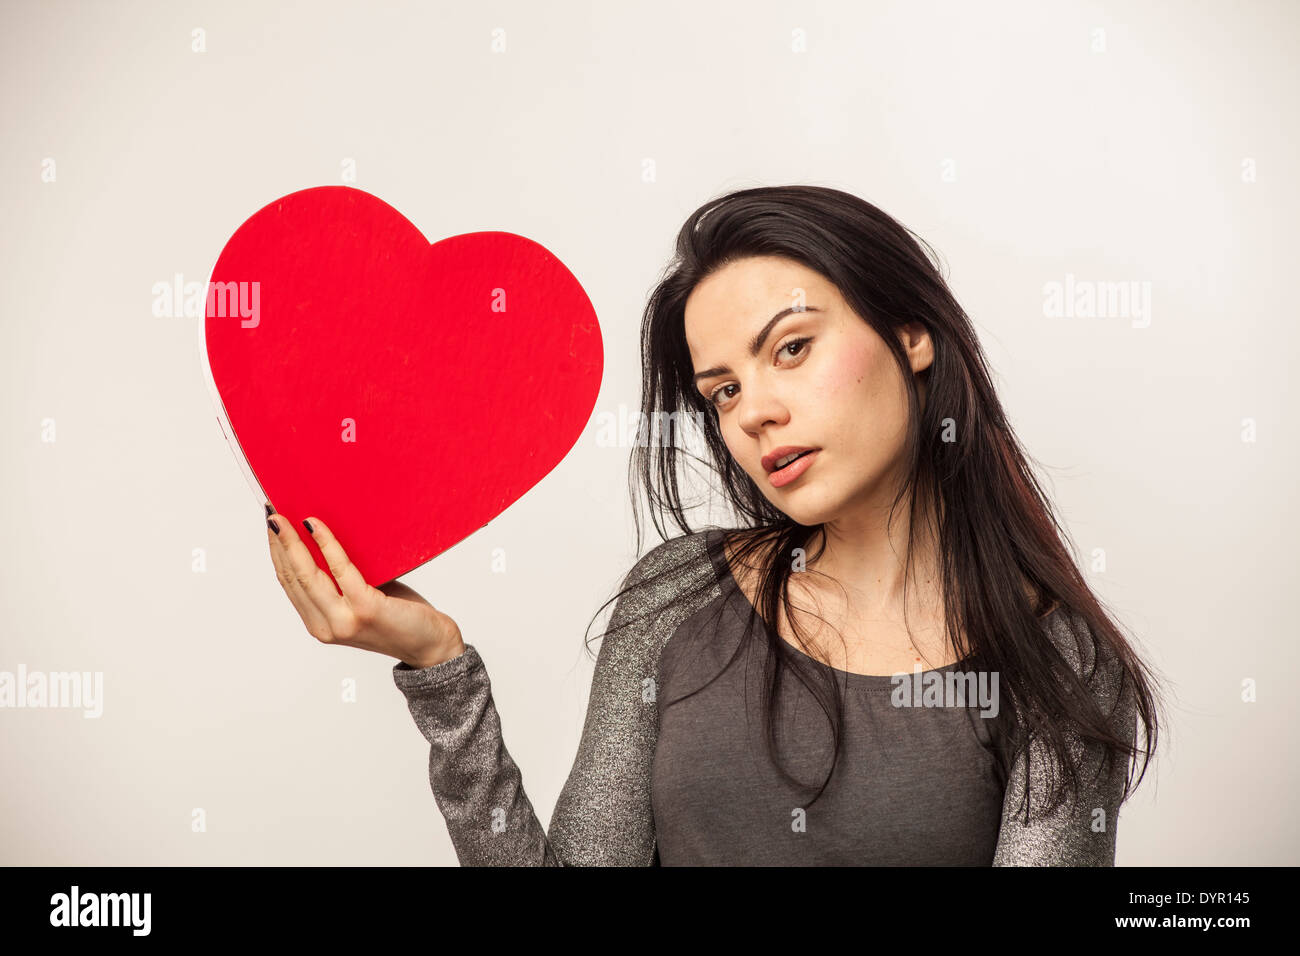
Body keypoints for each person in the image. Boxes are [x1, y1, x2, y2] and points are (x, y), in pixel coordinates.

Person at [264, 185, 1162, 865]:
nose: (753, 413)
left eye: (793, 349)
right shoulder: (678, 594)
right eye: (722, 390)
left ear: (912, 334)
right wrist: (437, 667)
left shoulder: (1055, 662)